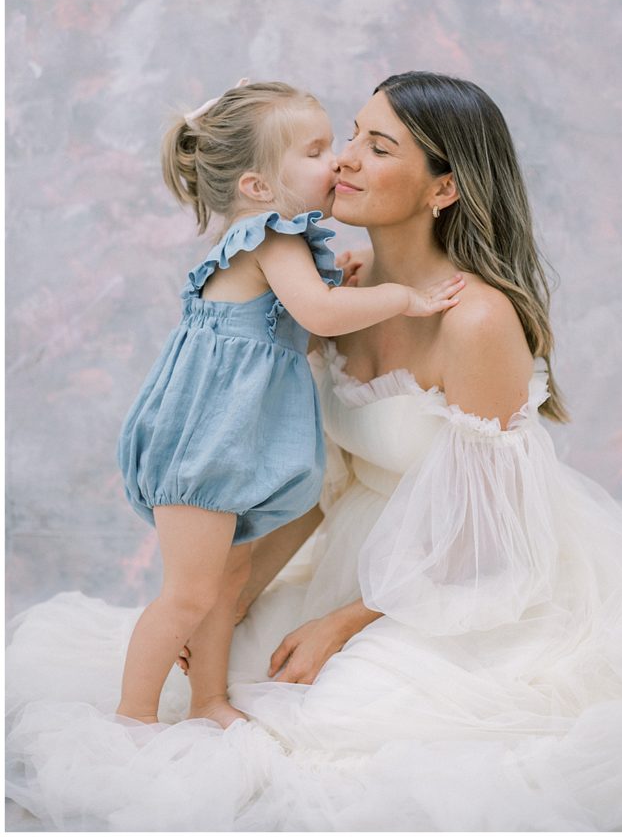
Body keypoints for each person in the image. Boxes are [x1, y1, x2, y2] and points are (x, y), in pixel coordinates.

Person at [6, 73, 622, 832]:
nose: (347, 159)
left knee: (344, 724)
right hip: (360, 551)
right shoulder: (331, 295)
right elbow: (322, 476)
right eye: (350, 135)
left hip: (470, 575)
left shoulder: (475, 319)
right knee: (223, 657)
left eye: (377, 146)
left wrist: (346, 621)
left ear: (444, 188)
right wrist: (240, 587)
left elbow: (491, 538)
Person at [113, 79, 463, 730]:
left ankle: (209, 698)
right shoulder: (271, 237)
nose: (339, 161)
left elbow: (304, 327)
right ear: (258, 187)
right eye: (317, 150)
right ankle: (132, 716)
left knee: (227, 580)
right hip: (202, 444)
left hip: (231, 444)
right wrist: (399, 299)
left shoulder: (287, 245)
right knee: (189, 593)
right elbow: (321, 313)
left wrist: (344, 285)